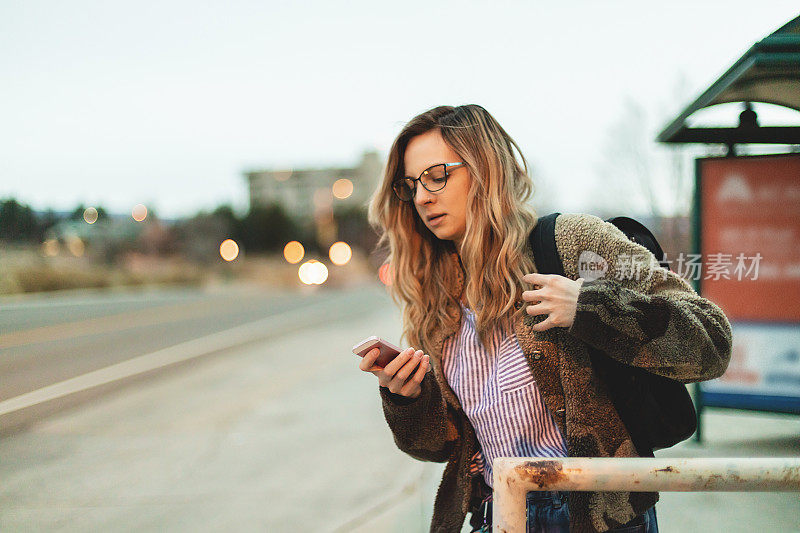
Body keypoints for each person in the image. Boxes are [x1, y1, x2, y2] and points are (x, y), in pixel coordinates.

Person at [358, 104, 732, 532]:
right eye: (410, 185)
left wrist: (589, 308)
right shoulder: (435, 299)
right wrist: (406, 400)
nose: (423, 196)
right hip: (495, 513)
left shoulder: (569, 243)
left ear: (485, 169)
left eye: (437, 176)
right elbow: (440, 447)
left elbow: (711, 343)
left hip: (594, 518)